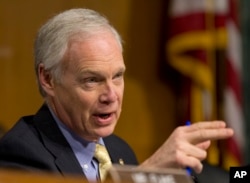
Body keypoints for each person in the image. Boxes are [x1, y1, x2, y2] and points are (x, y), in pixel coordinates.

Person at [0, 8, 233, 182]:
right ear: (48, 79)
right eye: (92, 80)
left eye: (117, 76)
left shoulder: (118, 149)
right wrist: (145, 174)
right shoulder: (21, 155)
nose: (111, 95)